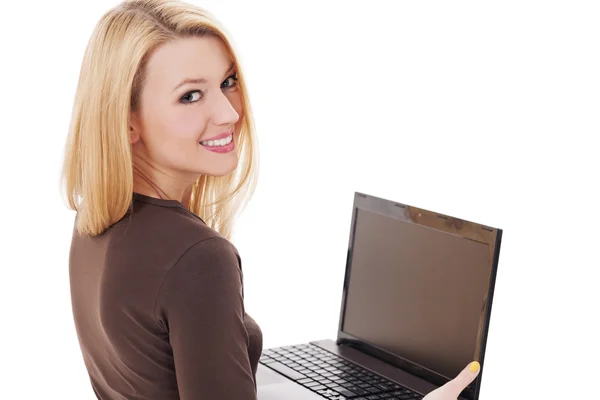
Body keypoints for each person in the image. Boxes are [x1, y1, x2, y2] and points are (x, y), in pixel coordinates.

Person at [60, 0, 481, 398]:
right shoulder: (198, 257)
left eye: (227, 83)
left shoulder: (95, 221)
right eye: (191, 95)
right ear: (127, 121)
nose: (228, 113)